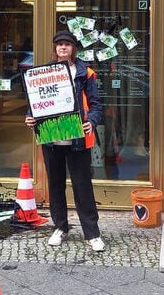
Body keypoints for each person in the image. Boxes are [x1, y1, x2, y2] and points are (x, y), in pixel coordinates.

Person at [25, 30, 105, 251]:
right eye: (59, 44)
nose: (62, 48)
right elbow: (35, 102)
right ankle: (60, 227)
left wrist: (93, 121)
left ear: (73, 48)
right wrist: (30, 117)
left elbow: (97, 104)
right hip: (52, 139)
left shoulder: (85, 73)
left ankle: (93, 233)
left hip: (77, 138)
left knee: (82, 186)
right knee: (56, 185)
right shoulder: (42, 74)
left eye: (67, 44)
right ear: (55, 49)